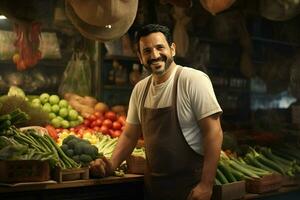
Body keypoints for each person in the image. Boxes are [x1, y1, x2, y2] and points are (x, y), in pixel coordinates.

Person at [91, 24, 223, 200]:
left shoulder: (192, 80)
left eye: (160, 47)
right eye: (146, 51)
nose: (154, 55)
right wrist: (111, 165)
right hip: (154, 189)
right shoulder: (140, 89)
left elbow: (213, 132)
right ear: (140, 57)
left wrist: (206, 185)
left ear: (172, 49)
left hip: (191, 189)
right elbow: (130, 135)